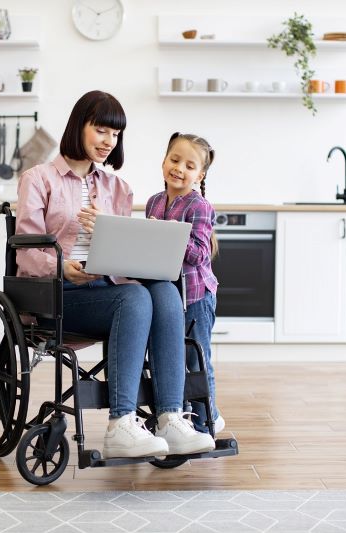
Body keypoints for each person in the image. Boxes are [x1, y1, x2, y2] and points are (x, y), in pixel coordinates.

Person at [15, 91, 215, 459]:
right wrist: (63, 267)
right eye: (102, 130)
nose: (109, 141)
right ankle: (120, 423)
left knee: (165, 290)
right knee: (136, 297)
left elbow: (125, 256)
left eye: (116, 134)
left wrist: (116, 230)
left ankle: (170, 416)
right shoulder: (39, 179)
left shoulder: (117, 188)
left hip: (109, 288)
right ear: (79, 127)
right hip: (57, 293)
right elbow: (26, 253)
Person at [145, 132, 224, 435]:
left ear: (200, 174)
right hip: (167, 297)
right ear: (164, 161)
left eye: (189, 165)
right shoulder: (154, 202)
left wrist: (168, 233)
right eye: (174, 160)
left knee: (197, 360)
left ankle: (208, 422)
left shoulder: (199, 206)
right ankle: (180, 419)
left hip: (195, 298)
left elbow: (200, 254)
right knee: (172, 360)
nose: (179, 168)